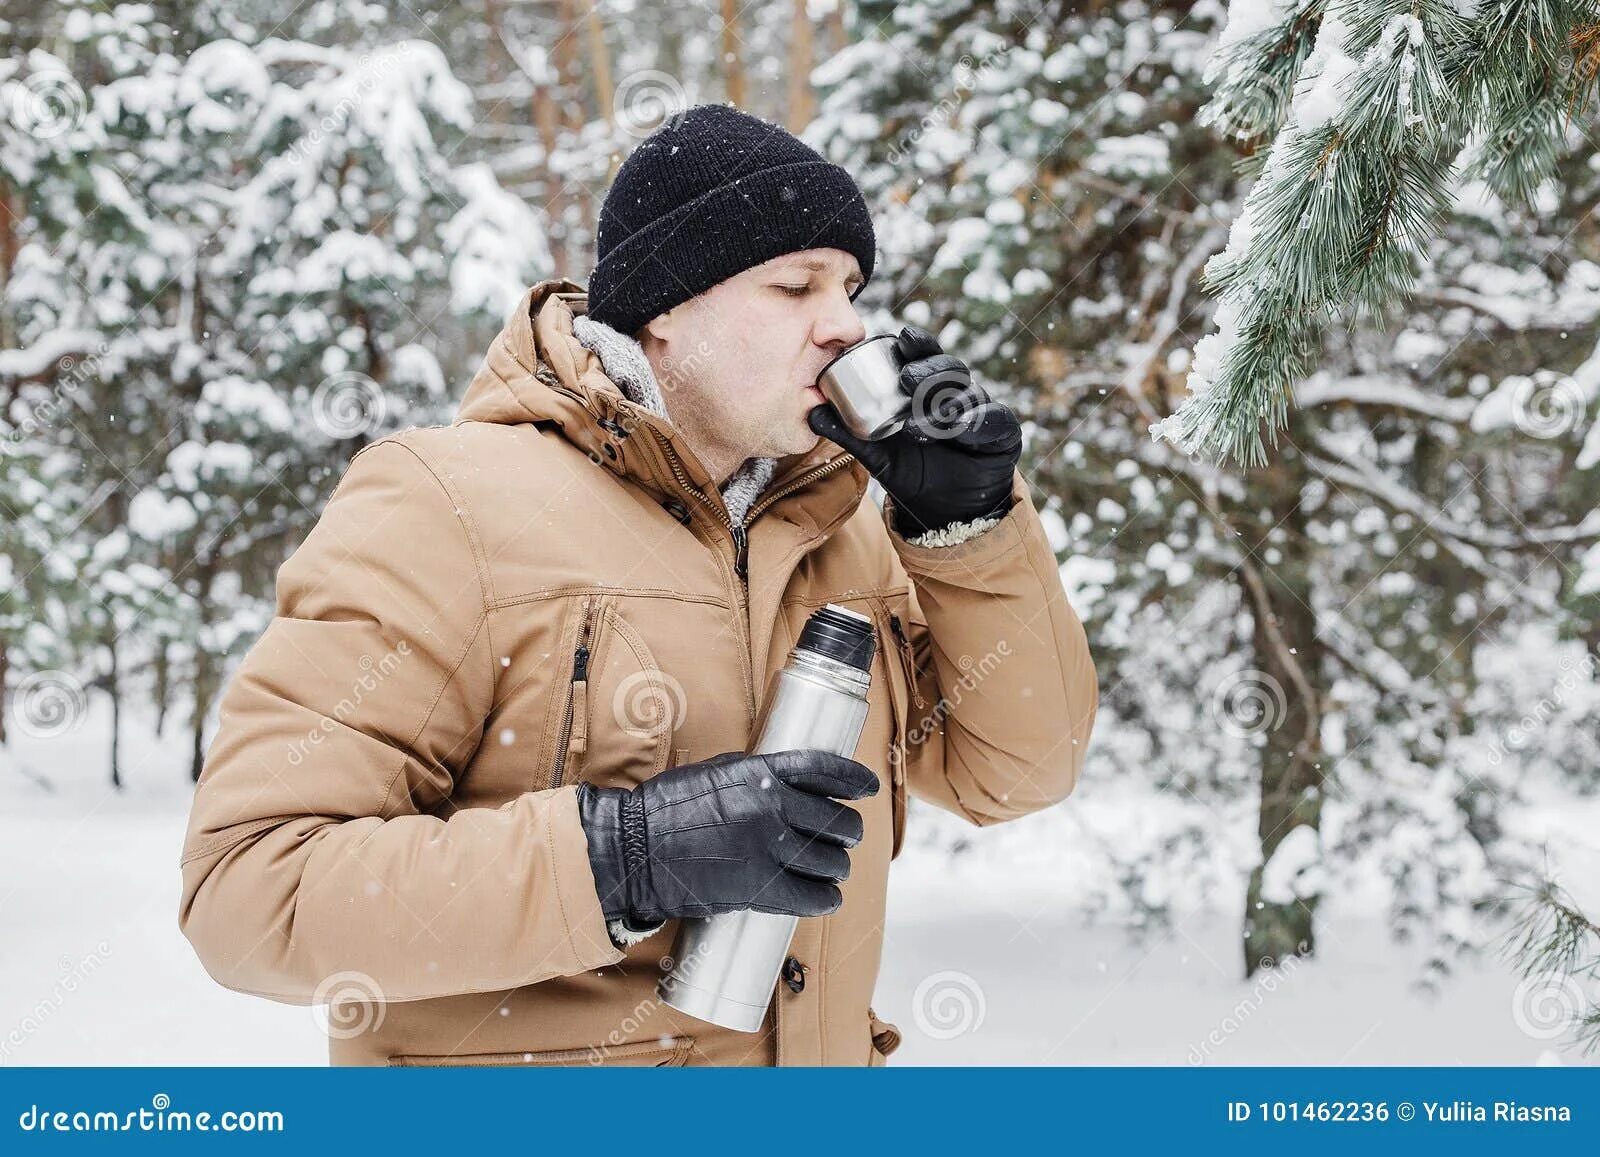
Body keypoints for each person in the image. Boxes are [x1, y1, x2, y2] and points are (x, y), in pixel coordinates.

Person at [178, 102, 1098, 1066]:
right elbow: (247, 892)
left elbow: (1020, 772)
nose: (847, 325)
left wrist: (972, 528)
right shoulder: (446, 502)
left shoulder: (842, 530)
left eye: (851, 285)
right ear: (665, 308)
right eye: (795, 286)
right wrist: (619, 858)